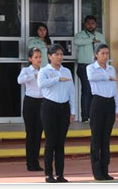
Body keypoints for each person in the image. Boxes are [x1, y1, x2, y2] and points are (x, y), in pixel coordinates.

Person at [37, 44, 76, 183]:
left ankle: (60, 174)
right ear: (49, 56)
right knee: (50, 142)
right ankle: (49, 174)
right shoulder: (45, 71)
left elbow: (71, 91)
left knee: (60, 143)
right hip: (49, 107)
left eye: (61, 54)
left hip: (64, 107)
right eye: (56, 54)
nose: (59, 57)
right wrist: (57, 79)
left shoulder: (66, 71)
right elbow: (41, 84)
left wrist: (73, 110)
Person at [87, 44, 118, 180]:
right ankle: (96, 170)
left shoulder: (111, 69)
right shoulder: (91, 68)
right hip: (98, 102)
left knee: (106, 139)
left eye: (107, 53)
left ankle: (105, 169)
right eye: (103, 53)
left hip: (109, 102)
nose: (106, 56)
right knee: (96, 138)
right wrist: (107, 77)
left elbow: (115, 89)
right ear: (96, 55)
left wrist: (117, 108)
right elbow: (92, 77)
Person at [74, 15, 106, 123]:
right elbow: (77, 42)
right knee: (87, 90)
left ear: (96, 24)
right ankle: (85, 116)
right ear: (85, 24)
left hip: (97, 66)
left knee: (96, 90)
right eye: (88, 23)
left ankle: (94, 114)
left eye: (92, 23)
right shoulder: (80, 35)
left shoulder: (99, 35)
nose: (90, 25)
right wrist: (91, 40)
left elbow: (104, 46)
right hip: (84, 65)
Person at [17, 47, 44, 172]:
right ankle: (30, 162)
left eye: (40, 57)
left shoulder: (44, 70)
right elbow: (19, 80)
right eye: (36, 57)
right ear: (30, 59)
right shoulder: (26, 70)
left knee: (38, 133)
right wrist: (33, 75)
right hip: (30, 102)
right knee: (30, 133)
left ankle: (36, 161)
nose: (38, 59)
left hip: (42, 102)